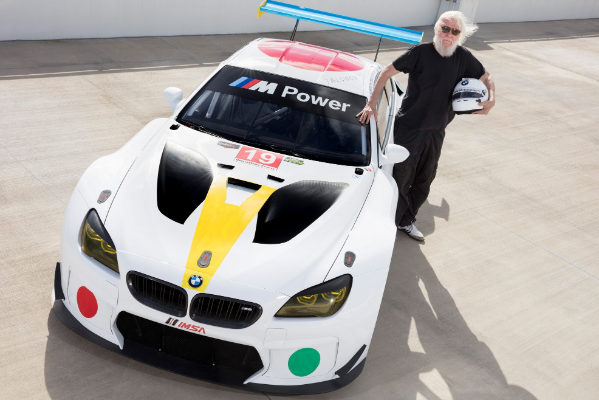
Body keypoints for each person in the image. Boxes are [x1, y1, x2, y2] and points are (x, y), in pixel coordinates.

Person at [357, 11, 495, 241]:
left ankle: (405, 221)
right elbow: (386, 72)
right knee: (401, 176)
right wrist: (371, 103)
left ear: (460, 35)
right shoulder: (420, 53)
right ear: (437, 28)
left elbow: (487, 76)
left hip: (437, 129)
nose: (448, 34)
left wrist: (492, 98)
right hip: (410, 127)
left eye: (454, 31)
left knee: (425, 178)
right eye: (445, 28)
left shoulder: (463, 57)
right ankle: (386, 220)